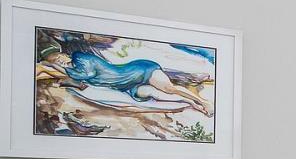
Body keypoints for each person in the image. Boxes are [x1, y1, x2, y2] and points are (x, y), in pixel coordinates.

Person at [36, 37, 213, 117]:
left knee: (169, 88)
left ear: (64, 55)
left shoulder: (80, 58)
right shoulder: (72, 67)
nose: (61, 62)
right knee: (158, 96)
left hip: (138, 71)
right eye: (57, 61)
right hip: (127, 85)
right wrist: (52, 68)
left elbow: (88, 75)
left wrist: (56, 66)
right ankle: (192, 105)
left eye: (59, 58)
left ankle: (202, 101)